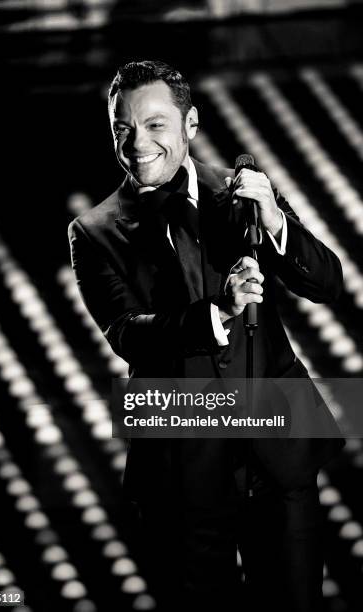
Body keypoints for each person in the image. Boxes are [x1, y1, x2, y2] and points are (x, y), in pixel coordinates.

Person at [68, 60, 344, 612]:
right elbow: (128, 335)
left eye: (154, 125)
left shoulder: (241, 191)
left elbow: (325, 283)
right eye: (122, 127)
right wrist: (217, 312)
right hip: (182, 466)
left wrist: (274, 221)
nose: (136, 143)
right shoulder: (94, 232)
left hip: (277, 448)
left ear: (191, 125)